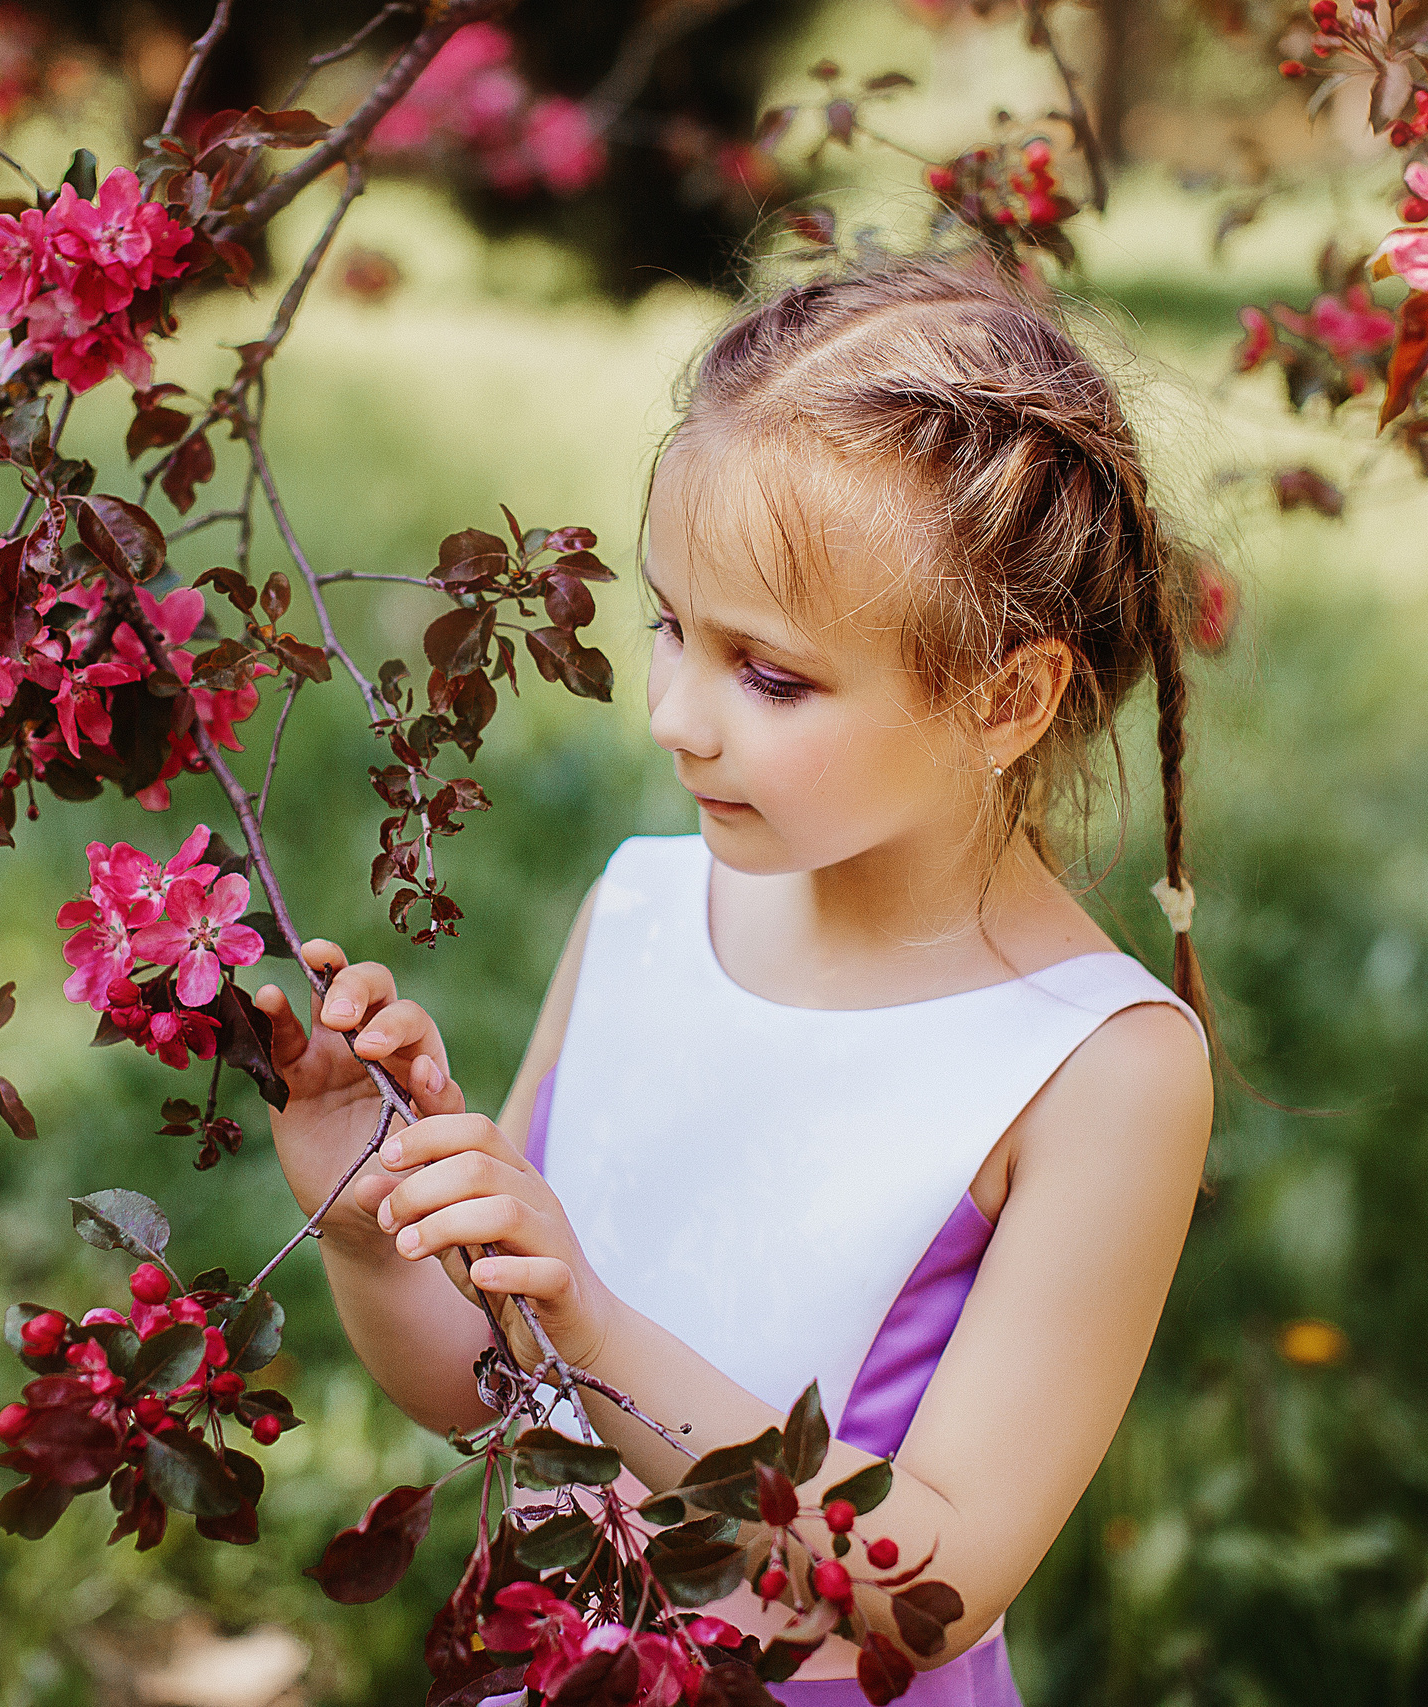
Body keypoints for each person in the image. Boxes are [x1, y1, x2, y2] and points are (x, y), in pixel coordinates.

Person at [251, 257, 1217, 1703]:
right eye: (668, 625)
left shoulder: (1101, 1066)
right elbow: (488, 1383)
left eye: (769, 676)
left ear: (1006, 700)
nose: (675, 716)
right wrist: (374, 1221)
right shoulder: (640, 909)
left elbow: (933, 1587)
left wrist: (590, 1319)